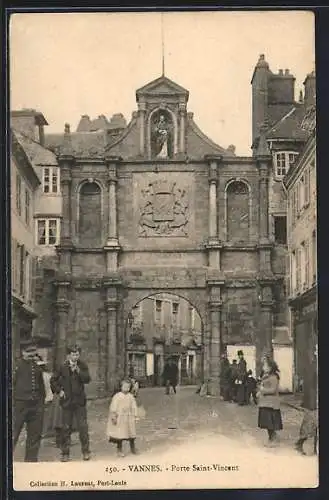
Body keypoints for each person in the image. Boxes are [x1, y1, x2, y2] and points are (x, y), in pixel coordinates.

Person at [50, 345, 91, 462]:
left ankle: (86, 451)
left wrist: (78, 370)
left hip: (79, 402)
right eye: (73, 354)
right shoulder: (62, 366)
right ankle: (65, 453)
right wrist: (59, 391)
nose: (75, 357)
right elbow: (53, 380)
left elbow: (87, 379)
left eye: (77, 354)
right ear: (69, 355)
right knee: (66, 428)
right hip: (67, 401)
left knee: (83, 427)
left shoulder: (82, 365)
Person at [13, 340, 46, 462]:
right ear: (22, 352)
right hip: (20, 404)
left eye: (33, 351)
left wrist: (41, 403)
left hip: (36, 405)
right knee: (13, 433)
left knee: (34, 435)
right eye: (28, 352)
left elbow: (41, 387)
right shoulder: (16, 366)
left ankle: (31, 462)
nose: (31, 354)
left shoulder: (37, 367)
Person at [106, 379, 139, 457]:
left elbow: (133, 406)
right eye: (124, 387)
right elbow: (113, 406)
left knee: (131, 433)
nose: (126, 388)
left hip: (128, 418)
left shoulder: (131, 396)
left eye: (128, 387)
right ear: (121, 387)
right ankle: (119, 449)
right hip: (120, 418)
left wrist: (135, 415)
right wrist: (113, 416)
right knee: (120, 434)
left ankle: (133, 448)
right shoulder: (117, 396)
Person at [257, 356, 283, 446]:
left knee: (270, 424)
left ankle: (273, 440)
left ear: (270, 367)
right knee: (267, 424)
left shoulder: (273, 377)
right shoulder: (266, 376)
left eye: (265, 366)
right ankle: (272, 438)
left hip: (271, 405)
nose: (263, 367)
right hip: (265, 403)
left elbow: (273, 390)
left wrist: (262, 390)